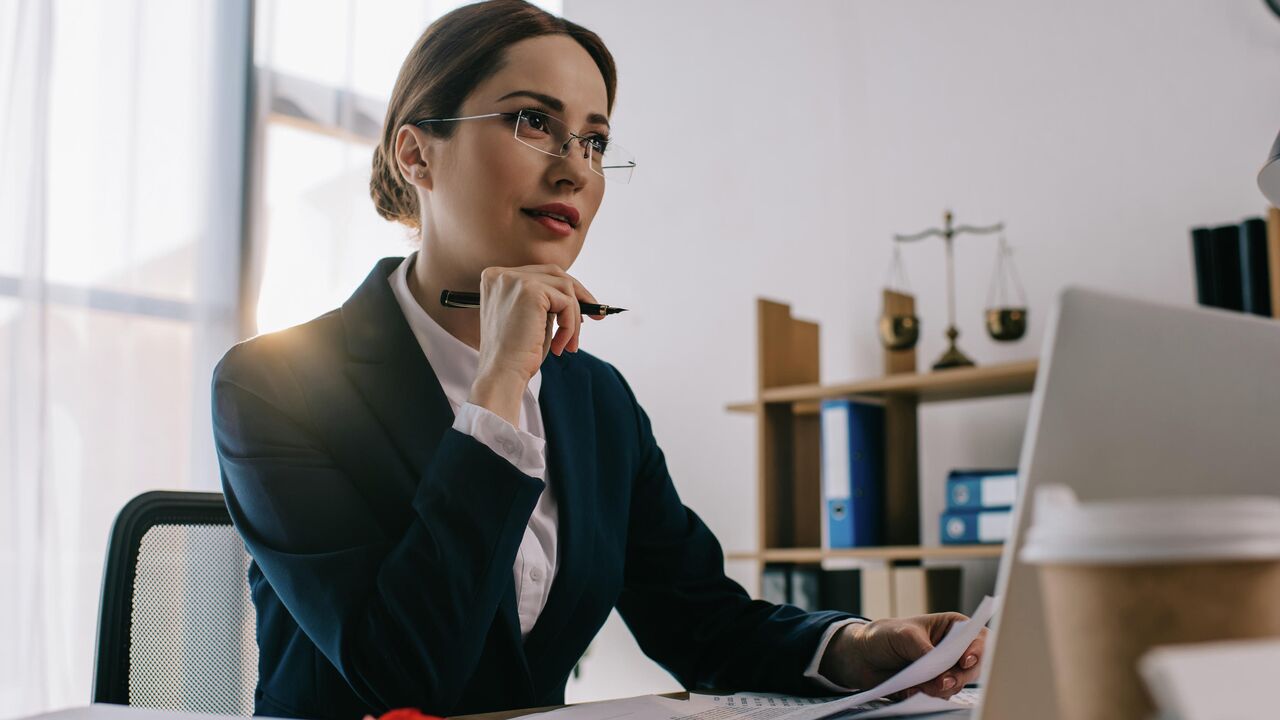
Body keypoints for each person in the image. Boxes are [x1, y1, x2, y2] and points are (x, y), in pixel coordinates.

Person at [211, 2, 985, 718]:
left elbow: (700, 622)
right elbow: (401, 674)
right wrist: (499, 389)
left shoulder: (596, 399)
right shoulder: (274, 385)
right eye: (531, 122)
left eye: (595, 141)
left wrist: (855, 649)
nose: (575, 169)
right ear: (416, 152)